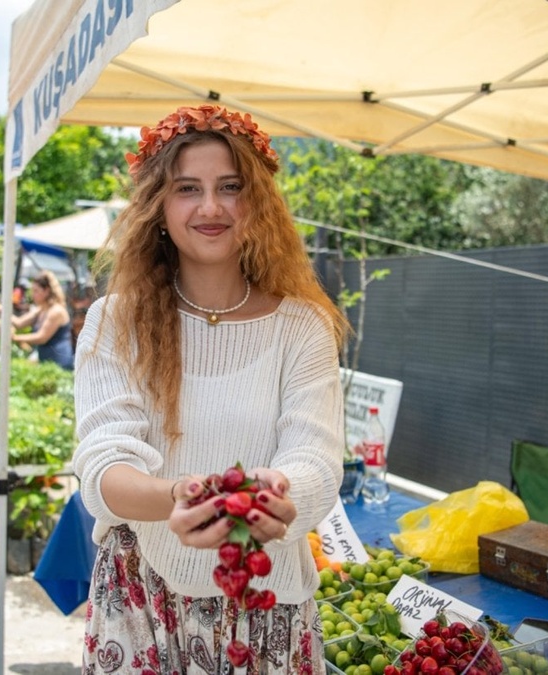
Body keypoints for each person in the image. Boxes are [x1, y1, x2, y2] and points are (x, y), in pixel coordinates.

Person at [72, 105, 349, 674]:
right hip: (141, 599)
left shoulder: (303, 326)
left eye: (230, 186)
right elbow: (103, 464)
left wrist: (276, 494)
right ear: (158, 206)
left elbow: (317, 460)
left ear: (258, 201)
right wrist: (180, 496)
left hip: (265, 599)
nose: (211, 207)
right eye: (187, 189)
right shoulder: (116, 321)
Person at [10, 270, 74, 370]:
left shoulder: (56, 311)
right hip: (46, 361)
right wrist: (2, 310)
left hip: (60, 363)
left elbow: (41, 337)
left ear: (47, 291)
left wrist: (15, 337)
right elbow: (19, 323)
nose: (33, 295)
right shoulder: (41, 310)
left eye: (36, 291)